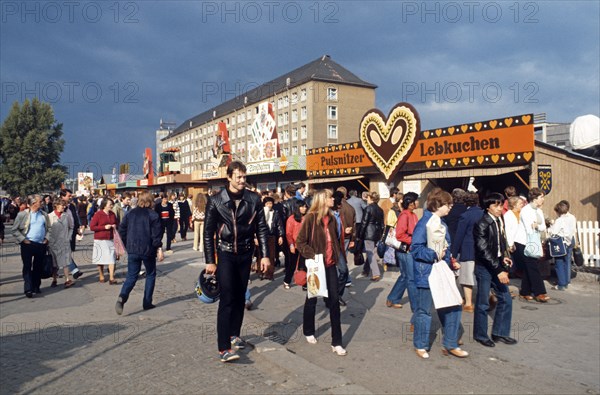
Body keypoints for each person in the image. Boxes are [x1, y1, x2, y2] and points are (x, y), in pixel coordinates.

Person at [203, 160, 270, 363]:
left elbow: (261, 228)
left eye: (244, 177)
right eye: (238, 177)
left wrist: (265, 255)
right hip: (224, 253)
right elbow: (207, 233)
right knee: (227, 297)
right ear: (229, 177)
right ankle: (224, 347)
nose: (242, 180)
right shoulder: (215, 200)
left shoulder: (253, 199)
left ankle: (234, 334)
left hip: (245, 253)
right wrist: (209, 261)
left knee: (241, 296)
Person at [410, 189, 467, 359]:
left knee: (454, 305)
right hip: (426, 271)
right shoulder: (424, 223)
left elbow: (446, 246)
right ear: (438, 205)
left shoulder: (442, 223)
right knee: (424, 310)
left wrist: (450, 260)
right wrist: (435, 255)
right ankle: (420, 345)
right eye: (448, 204)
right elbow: (416, 249)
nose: (450, 207)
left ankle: (450, 343)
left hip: (441, 269)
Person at [296, 189, 347, 356]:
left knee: (334, 301)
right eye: (330, 197)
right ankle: (308, 330)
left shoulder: (332, 218)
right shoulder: (311, 218)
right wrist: (313, 256)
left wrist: (340, 257)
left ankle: (337, 341)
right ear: (323, 200)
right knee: (312, 298)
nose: (333, 199)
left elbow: (336, 239)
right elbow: (300, 242)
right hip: (316, 265)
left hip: (330, 264)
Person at [473, 193, 517, 347]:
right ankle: (480, 335)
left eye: (500, 205)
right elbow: (483, 250)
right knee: (483, 303)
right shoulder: (482, 223)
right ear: (487, 207)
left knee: (506, 299)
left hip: (496, 264)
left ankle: (500, 333)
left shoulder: (498, 220)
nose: (499, 208)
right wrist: (498, 270)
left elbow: (497, 244)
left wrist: (503, 257)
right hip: (485, 267)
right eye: (495, 205)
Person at [115, 192, 164, 314]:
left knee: (131, 275)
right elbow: (156, 235)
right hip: (148, 249)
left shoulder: (130, 213)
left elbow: (122, 229)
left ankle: (123, 296)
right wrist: (158, 248)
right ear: (150, 201)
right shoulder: (153, 215)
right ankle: (147, 302)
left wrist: (127, 244)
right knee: (151, 274)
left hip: (132, 248)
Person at [11, 195, 50, 298]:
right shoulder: (22, 215)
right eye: (40, 201)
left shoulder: (44, 215)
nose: (42, 203)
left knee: (38, 266)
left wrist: (47, 238)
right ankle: (28, 288)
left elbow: (49, 228)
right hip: (27, 244)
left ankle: (36, 286)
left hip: (40, 244)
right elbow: (14, 229)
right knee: (27, 266)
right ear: (33, 203)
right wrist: (23, 239)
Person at [450, 192, 484, 312]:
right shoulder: (483, 214)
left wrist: (453, 253)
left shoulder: (465, 216)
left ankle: (469, 303)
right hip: (482, 250)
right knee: (482, 276)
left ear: (465, 202)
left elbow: (459, 235)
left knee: (467, 277)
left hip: (468, 249)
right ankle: (489, 297)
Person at [386, 192, 419, 311]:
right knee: (411, 279)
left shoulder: (413, 214)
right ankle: (416, 308)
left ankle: (392, 298)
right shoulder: (405, 215)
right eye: (416, 200)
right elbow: (400, 235)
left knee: (405, 276)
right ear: (410, 203)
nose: (418, 202)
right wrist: (414, 240)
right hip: (405, 251)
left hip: (410, 249)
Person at [517, 188, 549, 302]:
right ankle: (540, 292)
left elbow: (543, 227)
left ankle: (525, 291)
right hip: (524, 242)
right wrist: (536, 227)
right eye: (541, 197)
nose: (543, 199)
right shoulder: (526, 210)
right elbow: (529, 228)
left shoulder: (539, 211)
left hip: (534, 240)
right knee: (533, 267)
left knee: (529, 267)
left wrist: (537, 226)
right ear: (534, 198)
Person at [89, 198, 119, 284]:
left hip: (110, 239)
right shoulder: (98, 214)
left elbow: (117, 223)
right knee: (100, 259)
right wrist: (104, 227)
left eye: (112, 204)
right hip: (100, 239)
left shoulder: (112, 214)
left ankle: (111, 277)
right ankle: (101, 275)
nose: (112, 206)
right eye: (110, 204)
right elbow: (92, 227)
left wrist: (114, 226)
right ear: (104, 205)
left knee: (111, 258)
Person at [548, 200, 577, 290]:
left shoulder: (559, 220)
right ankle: (566, 281)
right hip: (570, 240)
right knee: (567, 261)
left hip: (561, 242)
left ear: (558, 211)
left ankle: (561, 283)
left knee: (559, 262)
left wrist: (551, 226)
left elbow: (553, 232)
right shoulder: (572, 217)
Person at [47, 198, 75, 288]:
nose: (64, 206)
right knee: (54, 263)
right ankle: (54, 279)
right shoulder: (49, 216)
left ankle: (67, 280)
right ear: (56, 206)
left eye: (64, 205)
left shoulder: (66, 216)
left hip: (64, 242)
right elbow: (47, 230)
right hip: (53, 243)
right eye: (62, 205)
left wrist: (69, 236)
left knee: (65, 262)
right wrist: (48, 240)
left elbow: (71, 227)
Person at [357, 192, 384, 281]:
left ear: (372, 198)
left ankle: (376, 274)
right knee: (372, 252)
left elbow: (364, 222)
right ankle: (366, 270)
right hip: (377, 233)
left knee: (370, 253)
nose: (367, 199)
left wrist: (360, 235)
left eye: (368, 198)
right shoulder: (380, 209)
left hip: (369, 233)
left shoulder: (368, 208)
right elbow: (382, 224)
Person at [60, 189, 83, 279]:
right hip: (62, 232)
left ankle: (71, 270)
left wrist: (77, 228)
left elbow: (75, 217)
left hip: (72, 231)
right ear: (62, 196)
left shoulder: (72, 206)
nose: (70, 197)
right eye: (69, 196)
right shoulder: (59, 206)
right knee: (66, 252)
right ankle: (74, 270)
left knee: (68, 251)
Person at [284, 200, 308, 288]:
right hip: (295, 244)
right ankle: (287, 280)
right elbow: (288, 234)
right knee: (292, 264)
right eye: (302, 207)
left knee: (305, 264)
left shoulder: (307, 218)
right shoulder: (291, 219)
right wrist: (291, 245)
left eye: (305, 206)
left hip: (305, 245)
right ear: (297, 208)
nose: (304, 208)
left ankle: (304, 282)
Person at [260, 196, 283, 280]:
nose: (269, 205)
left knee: (272, 255)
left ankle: (270, 273)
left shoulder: (275, 212)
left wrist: (280, 235)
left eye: (271, 203)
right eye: (267, 203)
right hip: (262, 236)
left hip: (272, 236)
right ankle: (262, 272)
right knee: (261, 255)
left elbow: (279, 225)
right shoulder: (261, 212)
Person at [504, 196, 526, 276]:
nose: (522, 205)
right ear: (514, 205)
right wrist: (510, 244)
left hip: (521, 240)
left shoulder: (522, 213)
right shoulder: (508, 215)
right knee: (516, 259)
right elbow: (507, 231)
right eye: (520, 203)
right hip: (513, 241)